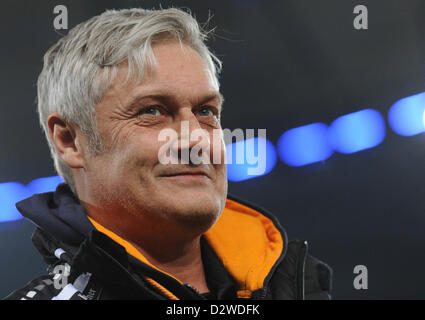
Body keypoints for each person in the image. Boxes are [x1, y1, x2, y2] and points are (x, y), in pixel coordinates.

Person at [4, 7, 332, 300]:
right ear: (70, 141)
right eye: (152, 111)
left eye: (205, 111)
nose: (195, 142)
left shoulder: (300, 287)